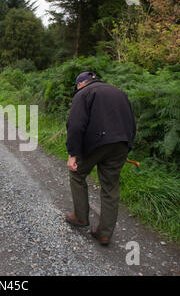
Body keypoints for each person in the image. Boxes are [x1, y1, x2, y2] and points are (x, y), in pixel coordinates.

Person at [65, 71, 136, 246]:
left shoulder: (83, 94)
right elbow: (131, 121)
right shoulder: (118, 92)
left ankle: (80, 217)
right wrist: (126, 146)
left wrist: (73, 154)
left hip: (97, 142)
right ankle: (104, 234)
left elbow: (75, 125)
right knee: (110, 186)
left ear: (80, 84)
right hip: (122, 142)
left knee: (76, 173)